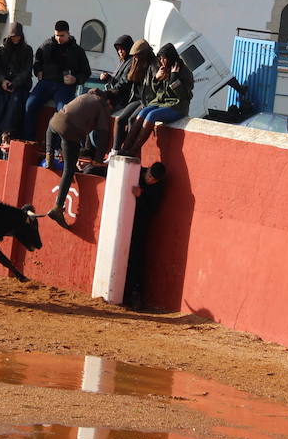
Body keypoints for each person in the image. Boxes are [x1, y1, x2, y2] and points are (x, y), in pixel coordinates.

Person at [44, 87, 117, 227]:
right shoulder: (102, 107)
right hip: (70, 132)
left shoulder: (85, 96)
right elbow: (103, 134)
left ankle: (49, 154)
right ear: (108, 102)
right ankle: (57, 208)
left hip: (55, 121)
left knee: (52, 125)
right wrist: (98, 159)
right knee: (69, 170)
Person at [117, 42, 193, 157]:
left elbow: (183, 95)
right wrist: (156, 79)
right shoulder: (164, 68)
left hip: (177, 106)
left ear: (170, 57)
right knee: (143, 112)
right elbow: (157, 91)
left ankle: (134, 150)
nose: (161, 61)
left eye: (164, 58)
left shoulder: (184, 72)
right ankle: (125, 147)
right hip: (162, 103)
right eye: (160, 58)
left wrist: (173, 78)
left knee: (151, 116)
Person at [23, 19, 90, 143]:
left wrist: (75, 79)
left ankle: (60, 145)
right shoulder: (46, 45)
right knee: (30, 104)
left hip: (64, 86)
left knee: (63, 112)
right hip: (46, 83)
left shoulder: (77, 51)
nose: (59, 38)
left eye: (62, 36)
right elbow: (37, 61)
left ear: (68, 34)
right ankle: (28, 139)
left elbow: (86, 72)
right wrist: (38, 71)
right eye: (57, 35)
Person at [123, 162, 166, 311]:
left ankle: (132, 294)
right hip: (128, 222)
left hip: (140, 227)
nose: (150, 180)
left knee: (135, 260)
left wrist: (141, 196)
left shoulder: (157, 190)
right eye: (149, 176)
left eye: (153, 180)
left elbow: (150, 210)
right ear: (147, 171)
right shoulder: (137, 173)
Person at [107, 39, 155, 155]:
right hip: (136, 98)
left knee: (132, 119)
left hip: (147, 100)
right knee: (120, 119)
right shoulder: (135, 63)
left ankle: (128, 150)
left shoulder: (153, 65)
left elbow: (154, 88)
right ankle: (115, 151)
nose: (135, 58)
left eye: (137, 56)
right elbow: (127, 80)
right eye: (134, 56)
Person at [0, 21, 33, 141]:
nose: (16, 39)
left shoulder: (27, 50)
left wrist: (15, 83)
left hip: (20, 86)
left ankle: (6, 133)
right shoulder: (3, 50)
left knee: (15, 102)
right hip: (4, 84)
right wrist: (3, 81)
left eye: (17, 36)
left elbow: (26, 71)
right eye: (13, 36)